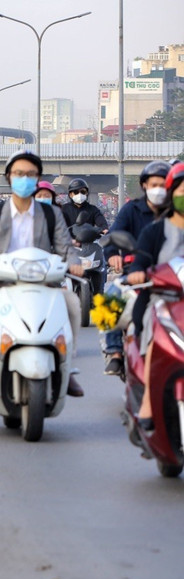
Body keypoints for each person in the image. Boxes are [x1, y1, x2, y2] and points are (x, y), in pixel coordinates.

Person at [0, 150, 84, 396]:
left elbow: (65, 247)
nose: (25, 179)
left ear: (37, 177)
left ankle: (66, 365)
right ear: (9, 177)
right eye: (19, 173)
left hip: (45, 283)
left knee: (72, 303)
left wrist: (74, 262)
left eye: (31, 174)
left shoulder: (52, 214)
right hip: (4, 283)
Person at [123, 162, 184, 425]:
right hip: (162, 302)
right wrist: (137, 272)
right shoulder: (154, 231)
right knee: (151, 328)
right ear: (172, 194)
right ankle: (148, 399)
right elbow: (140, 262)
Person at [101, 160, 172, 375]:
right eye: (154, 184)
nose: (158, 189)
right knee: (110, 299)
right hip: (135, 276)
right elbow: (114, 235)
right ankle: (115, 353)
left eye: (163, 184)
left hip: (172, 278)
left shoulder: (176, 213)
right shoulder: (131, 210)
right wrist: (113, 255)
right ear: (144, 186)